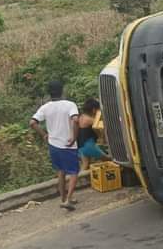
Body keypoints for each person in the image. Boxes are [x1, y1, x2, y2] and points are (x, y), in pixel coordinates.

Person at [30, 81, 80, 211]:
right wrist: (74, 137)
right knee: (74, 172)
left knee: (61, 171)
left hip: (53, 144)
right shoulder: (70, 105)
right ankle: (68, 200)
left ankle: (63, 198)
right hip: (68, 144)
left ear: (49, 93)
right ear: (62, 91)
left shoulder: (45, 107)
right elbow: (75, 120)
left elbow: (33, 122)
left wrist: (44, 135)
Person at [77, 98, 109, 171]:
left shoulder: (81, 117)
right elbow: (102, 127)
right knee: (107, 159)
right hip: (88, 146)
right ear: (94, 110)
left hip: (81, 146)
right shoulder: (89, 119)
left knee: (85, 164)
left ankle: (80, 180)